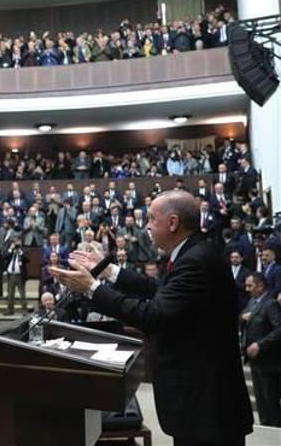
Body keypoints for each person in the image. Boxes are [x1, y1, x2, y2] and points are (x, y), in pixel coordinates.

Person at [50, 190, 253, 445]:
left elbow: (153, 314)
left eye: (151, 219)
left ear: (173, 223)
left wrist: (91, 288)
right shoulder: (196, 251)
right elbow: (162, 292)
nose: (146, 225)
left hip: (207, 405)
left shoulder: (196, 261)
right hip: (204, 402)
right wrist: (109, 270)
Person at [240, 273, 281, 426]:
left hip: (268, 362)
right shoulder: (252, 302)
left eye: (250, 285)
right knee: (261, 403)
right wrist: (242, 318)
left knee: (271, 403)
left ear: (260, 286)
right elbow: (242, 317)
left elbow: (279, 329)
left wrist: (260, 345)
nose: (246, 289)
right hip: (255, 361)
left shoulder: (270, 304)